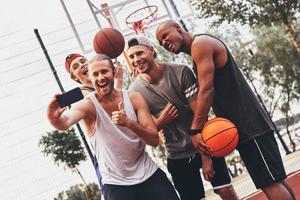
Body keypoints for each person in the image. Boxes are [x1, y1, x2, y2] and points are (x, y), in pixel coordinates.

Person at [156, 20, 296, 200]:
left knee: (270, 183)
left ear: (177, 27)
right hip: (247, 126)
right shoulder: (198, 50)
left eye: (165, 36)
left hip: (249, 125)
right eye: (160, 42)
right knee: (274, 181)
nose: (164, 42)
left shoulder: (201, 45)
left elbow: (207, 90)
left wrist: (195, 129)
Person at [48, 54, 180, 200]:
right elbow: (64, 122)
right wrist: (52, 117)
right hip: (116, 183)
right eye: (95, 74)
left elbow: (154, 140)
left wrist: (129, 123)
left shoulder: (134, 97)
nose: (100, 77)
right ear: (88, 78)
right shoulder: (87, 105)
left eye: (104, 72)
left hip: (148, 173)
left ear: (114, 71)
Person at [127, 36, 239, 200]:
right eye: (131, 57)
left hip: (204, 142)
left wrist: (206, 157)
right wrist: (160, 121)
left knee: (225, 191)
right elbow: (149, 132)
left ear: (151, 51)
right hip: (177, 154)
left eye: (139, 53)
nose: (136, 59)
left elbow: (200, 114)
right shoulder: (135, 91)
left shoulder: (180, 71)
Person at [64, 53, 124, 191]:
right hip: (108, 160)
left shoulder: (109, 86)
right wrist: (119, 80)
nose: (82, 65)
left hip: (126, 149)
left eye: (83, 61)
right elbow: (114, 109)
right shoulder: (80, 94)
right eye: (76, 66)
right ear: (74, 77)